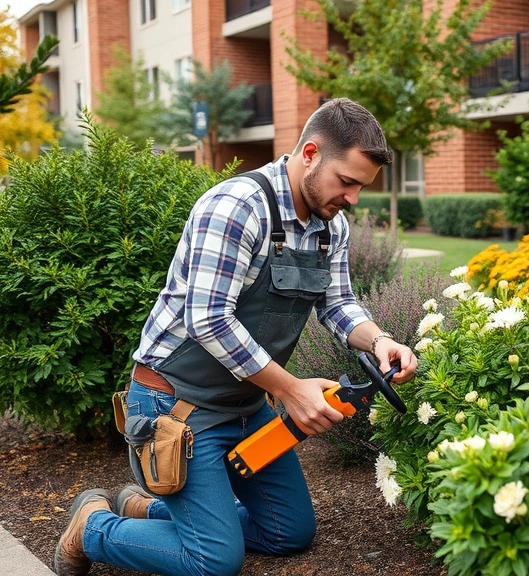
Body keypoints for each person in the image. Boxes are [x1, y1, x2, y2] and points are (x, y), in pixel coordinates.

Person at [52, 98, 417, 576]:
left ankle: (145, 509)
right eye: (346, 182)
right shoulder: (237, 206)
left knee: (289, 533)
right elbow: (207, 319)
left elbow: (338, 302)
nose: (352, 198)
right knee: (214, 561)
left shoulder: (332, 226)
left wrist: (378, 340)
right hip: (177, 409)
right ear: (310, 153)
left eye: (360, 188)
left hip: (244, 406)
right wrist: (290, 389)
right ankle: (92, 527)